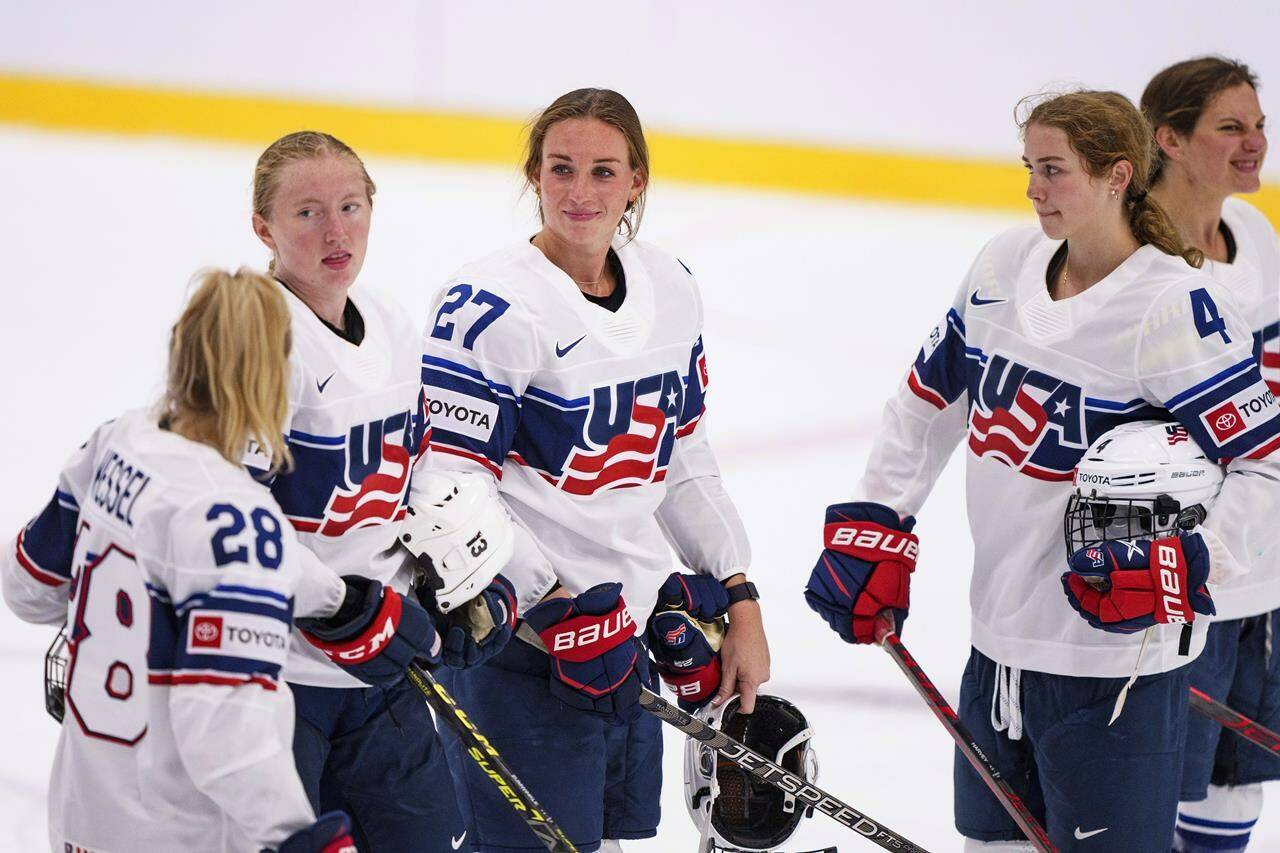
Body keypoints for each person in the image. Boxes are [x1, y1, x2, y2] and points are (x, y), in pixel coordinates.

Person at [803, 90, 1280, 851]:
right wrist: (878, 516)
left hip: (1117, 668)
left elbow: (1266, 466)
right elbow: (926, 401)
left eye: (1053, 170)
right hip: (996, 648)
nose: (1032, 189)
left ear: (1117, 176)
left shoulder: (1171, 308)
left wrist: (1186, 563)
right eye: (1029, 167)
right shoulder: (1001, 266)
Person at [419, 88, 770, 852]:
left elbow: (682, 453)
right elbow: (447, 484)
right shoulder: (488, 304)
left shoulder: (670, 287)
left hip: (628, 641)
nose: (580, 192)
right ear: (534, 175)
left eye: (603, 172)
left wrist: (737, 588)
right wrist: (552, 604)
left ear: (636, 181)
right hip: (515, 650)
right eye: (561, 168)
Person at [1, 268, 369, 852]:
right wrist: (304, 837)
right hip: (177, 833)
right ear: (269, 374)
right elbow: (225, 733)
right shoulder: (238, 519)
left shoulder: (118, 441)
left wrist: (337, 599)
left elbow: (28, 585)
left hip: (80, 818)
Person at [250, 131, 513, 852]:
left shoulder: (394, 324)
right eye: (307, 212)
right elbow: (229, 523)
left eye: (350, 205)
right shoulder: (254, 342)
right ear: (262, 227)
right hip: (275, 684)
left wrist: (451, 579)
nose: (336, 230)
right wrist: (336, 606)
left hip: (385, 670)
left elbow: (417, 465)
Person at [1141, 56, 1280, 853]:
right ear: (1171, 139)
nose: (1256, 141)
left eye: (1259, 124)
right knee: (1146, 801)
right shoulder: (1131, 256)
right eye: (1231, 127)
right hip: (1171, 588)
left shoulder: (1254, 232)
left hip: (1260, 575)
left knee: (1235, 786)